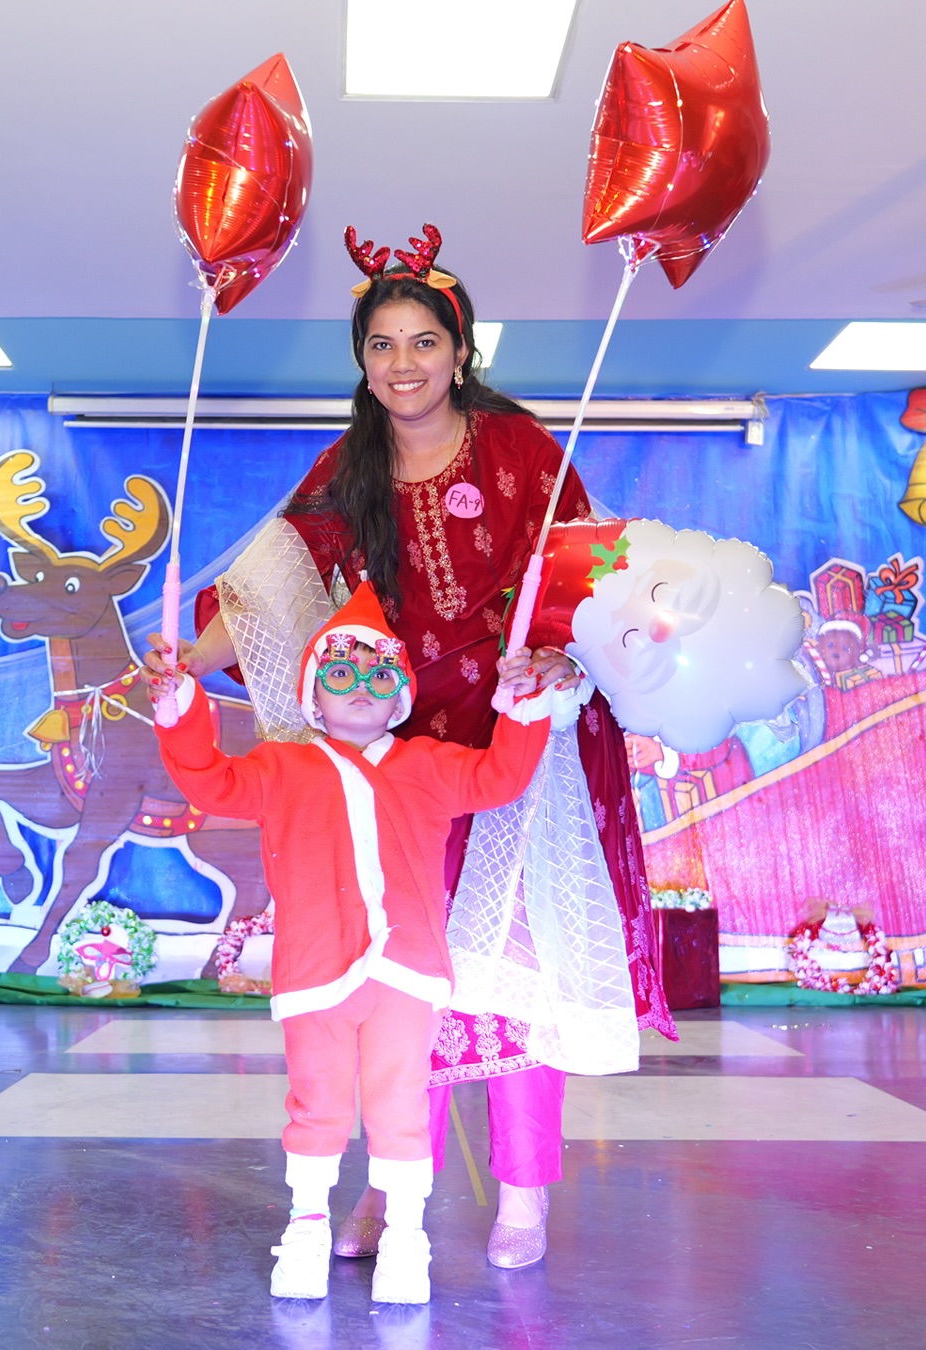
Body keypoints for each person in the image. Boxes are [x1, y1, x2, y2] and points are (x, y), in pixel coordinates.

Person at [146, 222, 675, 1270]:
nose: (403, 363)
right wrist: (186, 660)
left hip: (515, 745)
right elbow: (270, 587)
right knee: (400, 981)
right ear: (361, 360)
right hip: (395, 761)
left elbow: (585, 579)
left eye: (424, 341)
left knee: (514, 977)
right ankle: (394, 1196)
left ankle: (522, 1197)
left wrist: (560, 663)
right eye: (382, 344)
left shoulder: (523, 450)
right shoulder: (347, 467)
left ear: (461, 350)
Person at [151, 578, 566, 1303]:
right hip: (316, 973)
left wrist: (522, 705)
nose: (363, 688)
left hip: (406, 974)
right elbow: (210, 783)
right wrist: (181, 709)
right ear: (314, 694)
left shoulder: (429, 764)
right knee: (316, 1103)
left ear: (401, 693)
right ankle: (306, 1227)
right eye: (342, 673)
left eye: (380, 674)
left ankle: (406, 1238)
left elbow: (501, 777)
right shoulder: (280, 767)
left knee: (400, 1105)